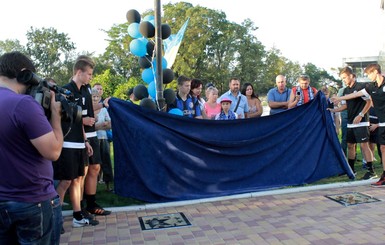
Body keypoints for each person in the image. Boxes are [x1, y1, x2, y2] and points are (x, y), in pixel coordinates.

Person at [0, 51, 63, 244]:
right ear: (24, 74)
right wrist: (56, 117)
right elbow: (53, 152)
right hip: (33, 201)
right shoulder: (23, 104)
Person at [333, 64, 385, 186]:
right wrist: (338, 100)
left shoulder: (375, 85)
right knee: (382, 149)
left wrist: (361, 114)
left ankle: (371, 170)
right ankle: (382, 175)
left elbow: (367, 102)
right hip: (378, 122)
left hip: (364, 122)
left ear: (376, 72)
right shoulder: (371, 86)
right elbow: (354, 96)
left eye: (369, 74)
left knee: (367, 146)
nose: (368, 76)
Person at [76, 55, 111, 216]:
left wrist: (103, 105)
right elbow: (67, 115)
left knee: (95, 167)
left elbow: (90, 107)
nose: (91, 77)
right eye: (89, 74)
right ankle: (80, 207)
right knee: (80, 173)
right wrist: (83, 120)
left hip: (93, 134)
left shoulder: (87, 88)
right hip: (79, 137)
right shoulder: (69, 89)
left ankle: (91, 203)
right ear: (79, 72)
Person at [92, 88, 114, 192]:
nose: (95, 98)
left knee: (106, 162)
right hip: (93, 139)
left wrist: (99, 126)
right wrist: (101, 126)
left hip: (104, 138)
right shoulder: (89, 110)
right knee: (94, 163)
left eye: (97, 96)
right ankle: (93, 185)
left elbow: (110, 124)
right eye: (93, 96)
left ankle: (108, 185)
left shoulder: (104, 110)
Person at [337, 85, 348, 156]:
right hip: (345, 114)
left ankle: (353, 156)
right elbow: (338, 102)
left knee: (354, 138)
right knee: (345, 137)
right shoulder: (342, 90)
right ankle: (343, 156)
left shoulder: (358, 88)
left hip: (355, 114)